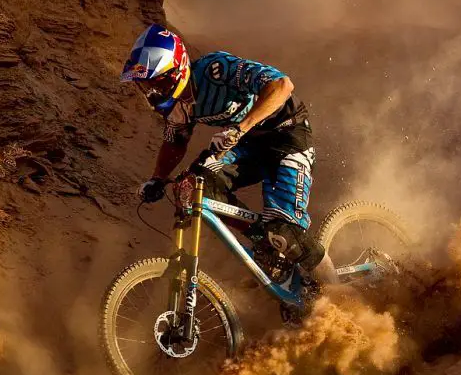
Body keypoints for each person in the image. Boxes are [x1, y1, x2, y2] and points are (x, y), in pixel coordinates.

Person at [121, 23, 326, 295]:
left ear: (178, 69)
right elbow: (175, 142)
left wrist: (241, 128)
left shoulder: (215, 69)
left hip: (287, 135)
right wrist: (157, 179)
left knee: (286, 234)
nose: (153, 92)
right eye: (145, 86)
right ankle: (263, 244)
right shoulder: (177, 107)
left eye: (158, 82)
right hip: (248, 142)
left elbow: (282, 85)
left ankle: (342, 296)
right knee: (196, 184)